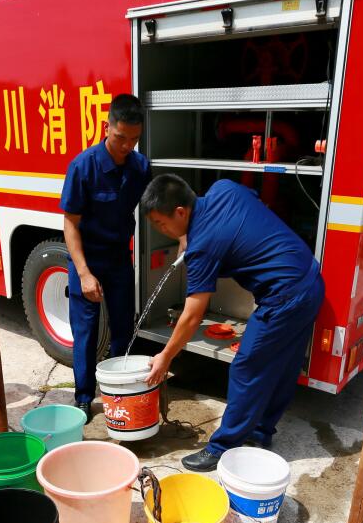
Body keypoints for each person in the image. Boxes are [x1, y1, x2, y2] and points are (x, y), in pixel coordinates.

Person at [141, 175, 324, 472]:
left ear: (180, 212)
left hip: (284, 298)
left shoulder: (202, 247)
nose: (161, 230)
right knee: (284, 364)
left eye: (161, 223)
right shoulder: (223, 188)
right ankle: (261, 432)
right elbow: (251, 200)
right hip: (311, 279)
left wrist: (166, 356)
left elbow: (192, 315)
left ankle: (221, 448)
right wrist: (184, 236)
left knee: (246, 366)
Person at [60, 93, 150, 424]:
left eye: (135, 139)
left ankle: (120, 388)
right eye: (120, 137)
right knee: (86, 329)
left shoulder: (140, 166)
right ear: (105, 127)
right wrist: (83, 273)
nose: (127, 146)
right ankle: (84, 396)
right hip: (86, 258)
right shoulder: (83, 167)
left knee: (124, 325)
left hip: (118, 259)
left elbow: (154, 206)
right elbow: (70, 224)